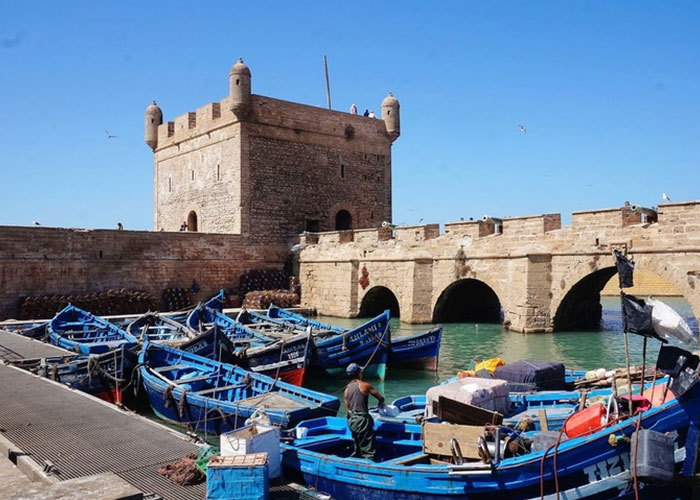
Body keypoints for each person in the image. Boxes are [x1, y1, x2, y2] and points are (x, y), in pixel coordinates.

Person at [344, 363, 384, 460]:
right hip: (362, 421)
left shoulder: (346, 389)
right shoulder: (364, 385)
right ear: (358, 373)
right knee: (368, 448)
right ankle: (369, 465)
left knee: (358, 446)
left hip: (352, 421)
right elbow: (380, 398)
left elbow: (348, 408)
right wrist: (381, 405)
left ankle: (357, 462)